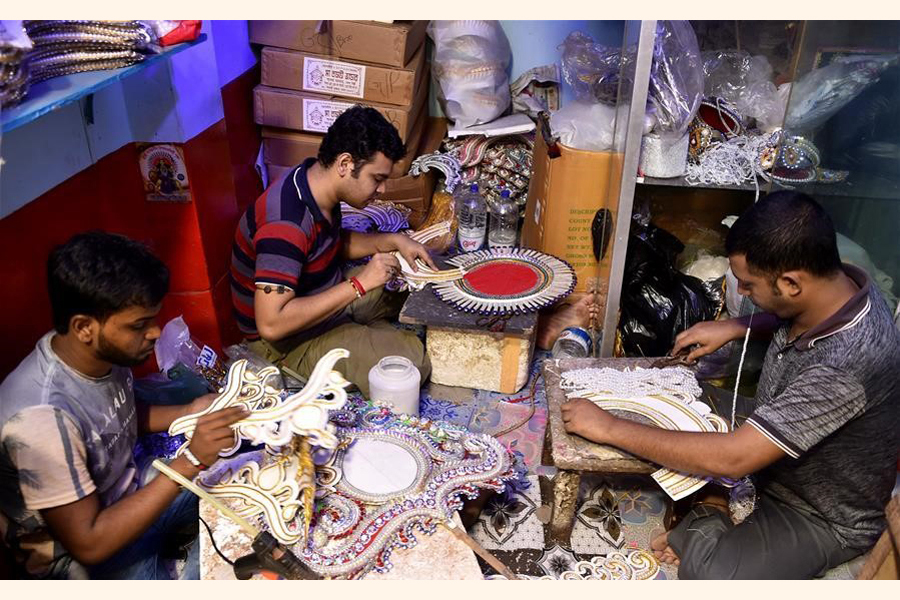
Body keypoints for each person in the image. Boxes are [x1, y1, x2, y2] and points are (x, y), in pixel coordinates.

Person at [561, 191, 900, 579]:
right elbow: (796, 318)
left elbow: (733, 459)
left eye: (749, 285)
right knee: (670, 395)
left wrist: (609, 427)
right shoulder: (846, 282)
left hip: (816, 511)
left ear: (791, 282)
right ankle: (711, 496)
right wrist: (734, 327)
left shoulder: (849, 364)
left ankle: (712, 505)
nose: (741, 293)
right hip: (776, 432)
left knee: (713, 575)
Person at [0, 231, 246, 579]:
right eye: (139, 325)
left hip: (130, 494)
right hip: (87, 554)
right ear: (84, 326)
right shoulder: (41, 420)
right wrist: (190, 460)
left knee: (245, 487)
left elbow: (117, 418)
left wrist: (191, 411)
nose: (156, 333)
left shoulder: (97, 352)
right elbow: (89, 542)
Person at [231, 105, 434, 397]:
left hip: (321, 291)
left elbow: (328, 244)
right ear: (345, 163)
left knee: (408, 283)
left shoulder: (313, 179)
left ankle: (365, 331)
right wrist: (359, 284)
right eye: (377, 178)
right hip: (288, 340)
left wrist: (394, 240)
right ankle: (356, 340)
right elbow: (271, 325)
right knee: (411, 366)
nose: (382, 190)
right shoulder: (285, 223)